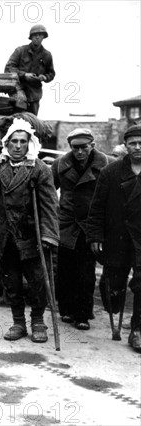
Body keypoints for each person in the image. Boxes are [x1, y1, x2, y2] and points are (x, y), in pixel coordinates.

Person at [0, 118, 59, 343]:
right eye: (14, 141)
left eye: (23, 141)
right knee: (11, 282)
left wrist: (49, 234)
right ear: (7, 142)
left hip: (32, 234)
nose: (18, 146)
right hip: (5, 233)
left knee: (37, 280)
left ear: (29, 143)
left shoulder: (39, 168)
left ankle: (38, 321)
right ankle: (18, 323)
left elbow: (49, 204)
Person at [88, 124, 141, 352]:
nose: (138, 147)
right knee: (113, 286)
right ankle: (114, 302)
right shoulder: (111, 172)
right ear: (126, 146)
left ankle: (137, 330)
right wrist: (95, 235)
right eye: (133, 143)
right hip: (116, 236)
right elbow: (97, 206)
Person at [51, 129, 109, 330]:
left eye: (84, 147)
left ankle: (83, 314)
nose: (80, 152)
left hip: (90, 224)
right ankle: (66, 310)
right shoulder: (60, 164)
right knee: (65, 269)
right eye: (75, 148)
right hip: (66, 223)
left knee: (86, 271)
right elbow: (49, 190)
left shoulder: (106, 164)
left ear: (92, 145)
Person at [5, 24, 55, 116]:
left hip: (34, 94)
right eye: (35, 35)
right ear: (31, 37)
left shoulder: (47, 55)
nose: (37, 37)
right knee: (16, 120)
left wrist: (45, 77)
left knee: (32, 122)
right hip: (18, 91)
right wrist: (24, 75)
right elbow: (8, 68)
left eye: (40, 35)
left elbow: (51, 73)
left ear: (43, 37)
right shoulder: (20, 51)